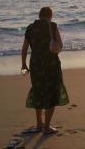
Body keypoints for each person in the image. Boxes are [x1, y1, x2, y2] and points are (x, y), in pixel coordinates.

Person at [21, 7, 69, 135]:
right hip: (51, 64)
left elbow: (24, 48)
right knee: (52, 92)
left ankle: (38, 124)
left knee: (38, 91)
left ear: (39, 15)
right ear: (50, 16)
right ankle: (46, 127)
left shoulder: (30, 28)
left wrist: (24, 64)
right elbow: (60, 45)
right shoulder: (52, 26)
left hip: (35, 64)